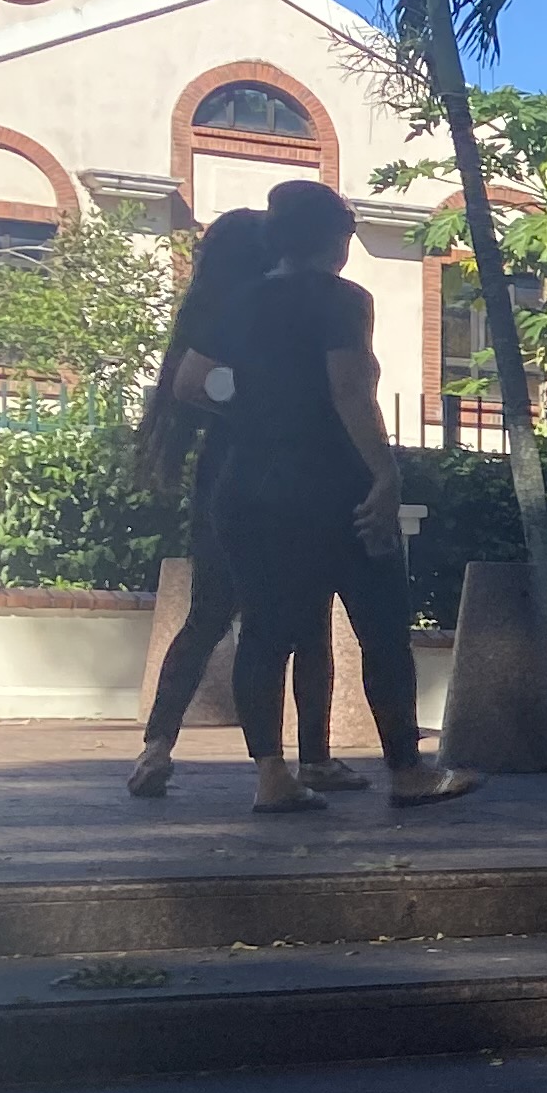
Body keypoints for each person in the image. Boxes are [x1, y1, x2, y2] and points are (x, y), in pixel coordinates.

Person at [178, 180, 473, 814]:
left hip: (250, 487)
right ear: (335, 239)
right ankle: (407, 770)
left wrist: (252, 408)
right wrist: (384, 474)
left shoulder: (238, 302)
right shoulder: (343, 300)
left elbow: (191, 383)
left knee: (263, 631)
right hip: (333, 486)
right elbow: (349, 391)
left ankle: (271, 777)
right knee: (381, 627)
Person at [129, 209, 340, 797]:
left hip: (220, 472)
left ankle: (156, 744)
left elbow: (190, 388)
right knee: (304, 618)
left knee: (209, 613)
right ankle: (308, 759)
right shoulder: (269, 306)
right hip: (282, 472)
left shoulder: (209, 312)